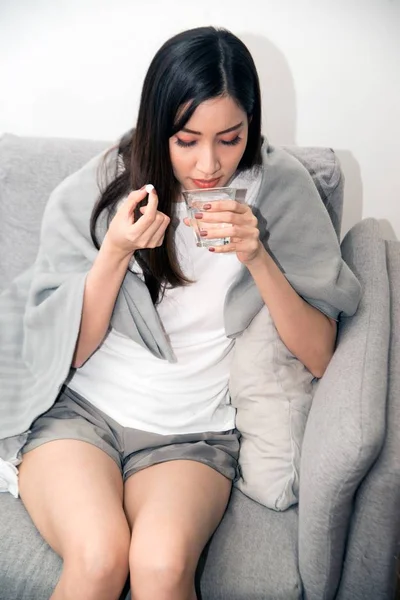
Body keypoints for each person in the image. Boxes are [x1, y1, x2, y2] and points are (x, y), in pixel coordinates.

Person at [16, 26, 358, 600]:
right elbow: (63, 351)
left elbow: (321, 353)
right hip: (82, 415)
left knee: (160, 565)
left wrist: (258, 258)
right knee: (99, 559)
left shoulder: (281, 189)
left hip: (191, 434)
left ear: (252, 124)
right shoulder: (106, 184)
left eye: (230, 138)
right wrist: (115, 254)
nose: (208, 164)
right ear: (158, 129)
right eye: (186, 140)